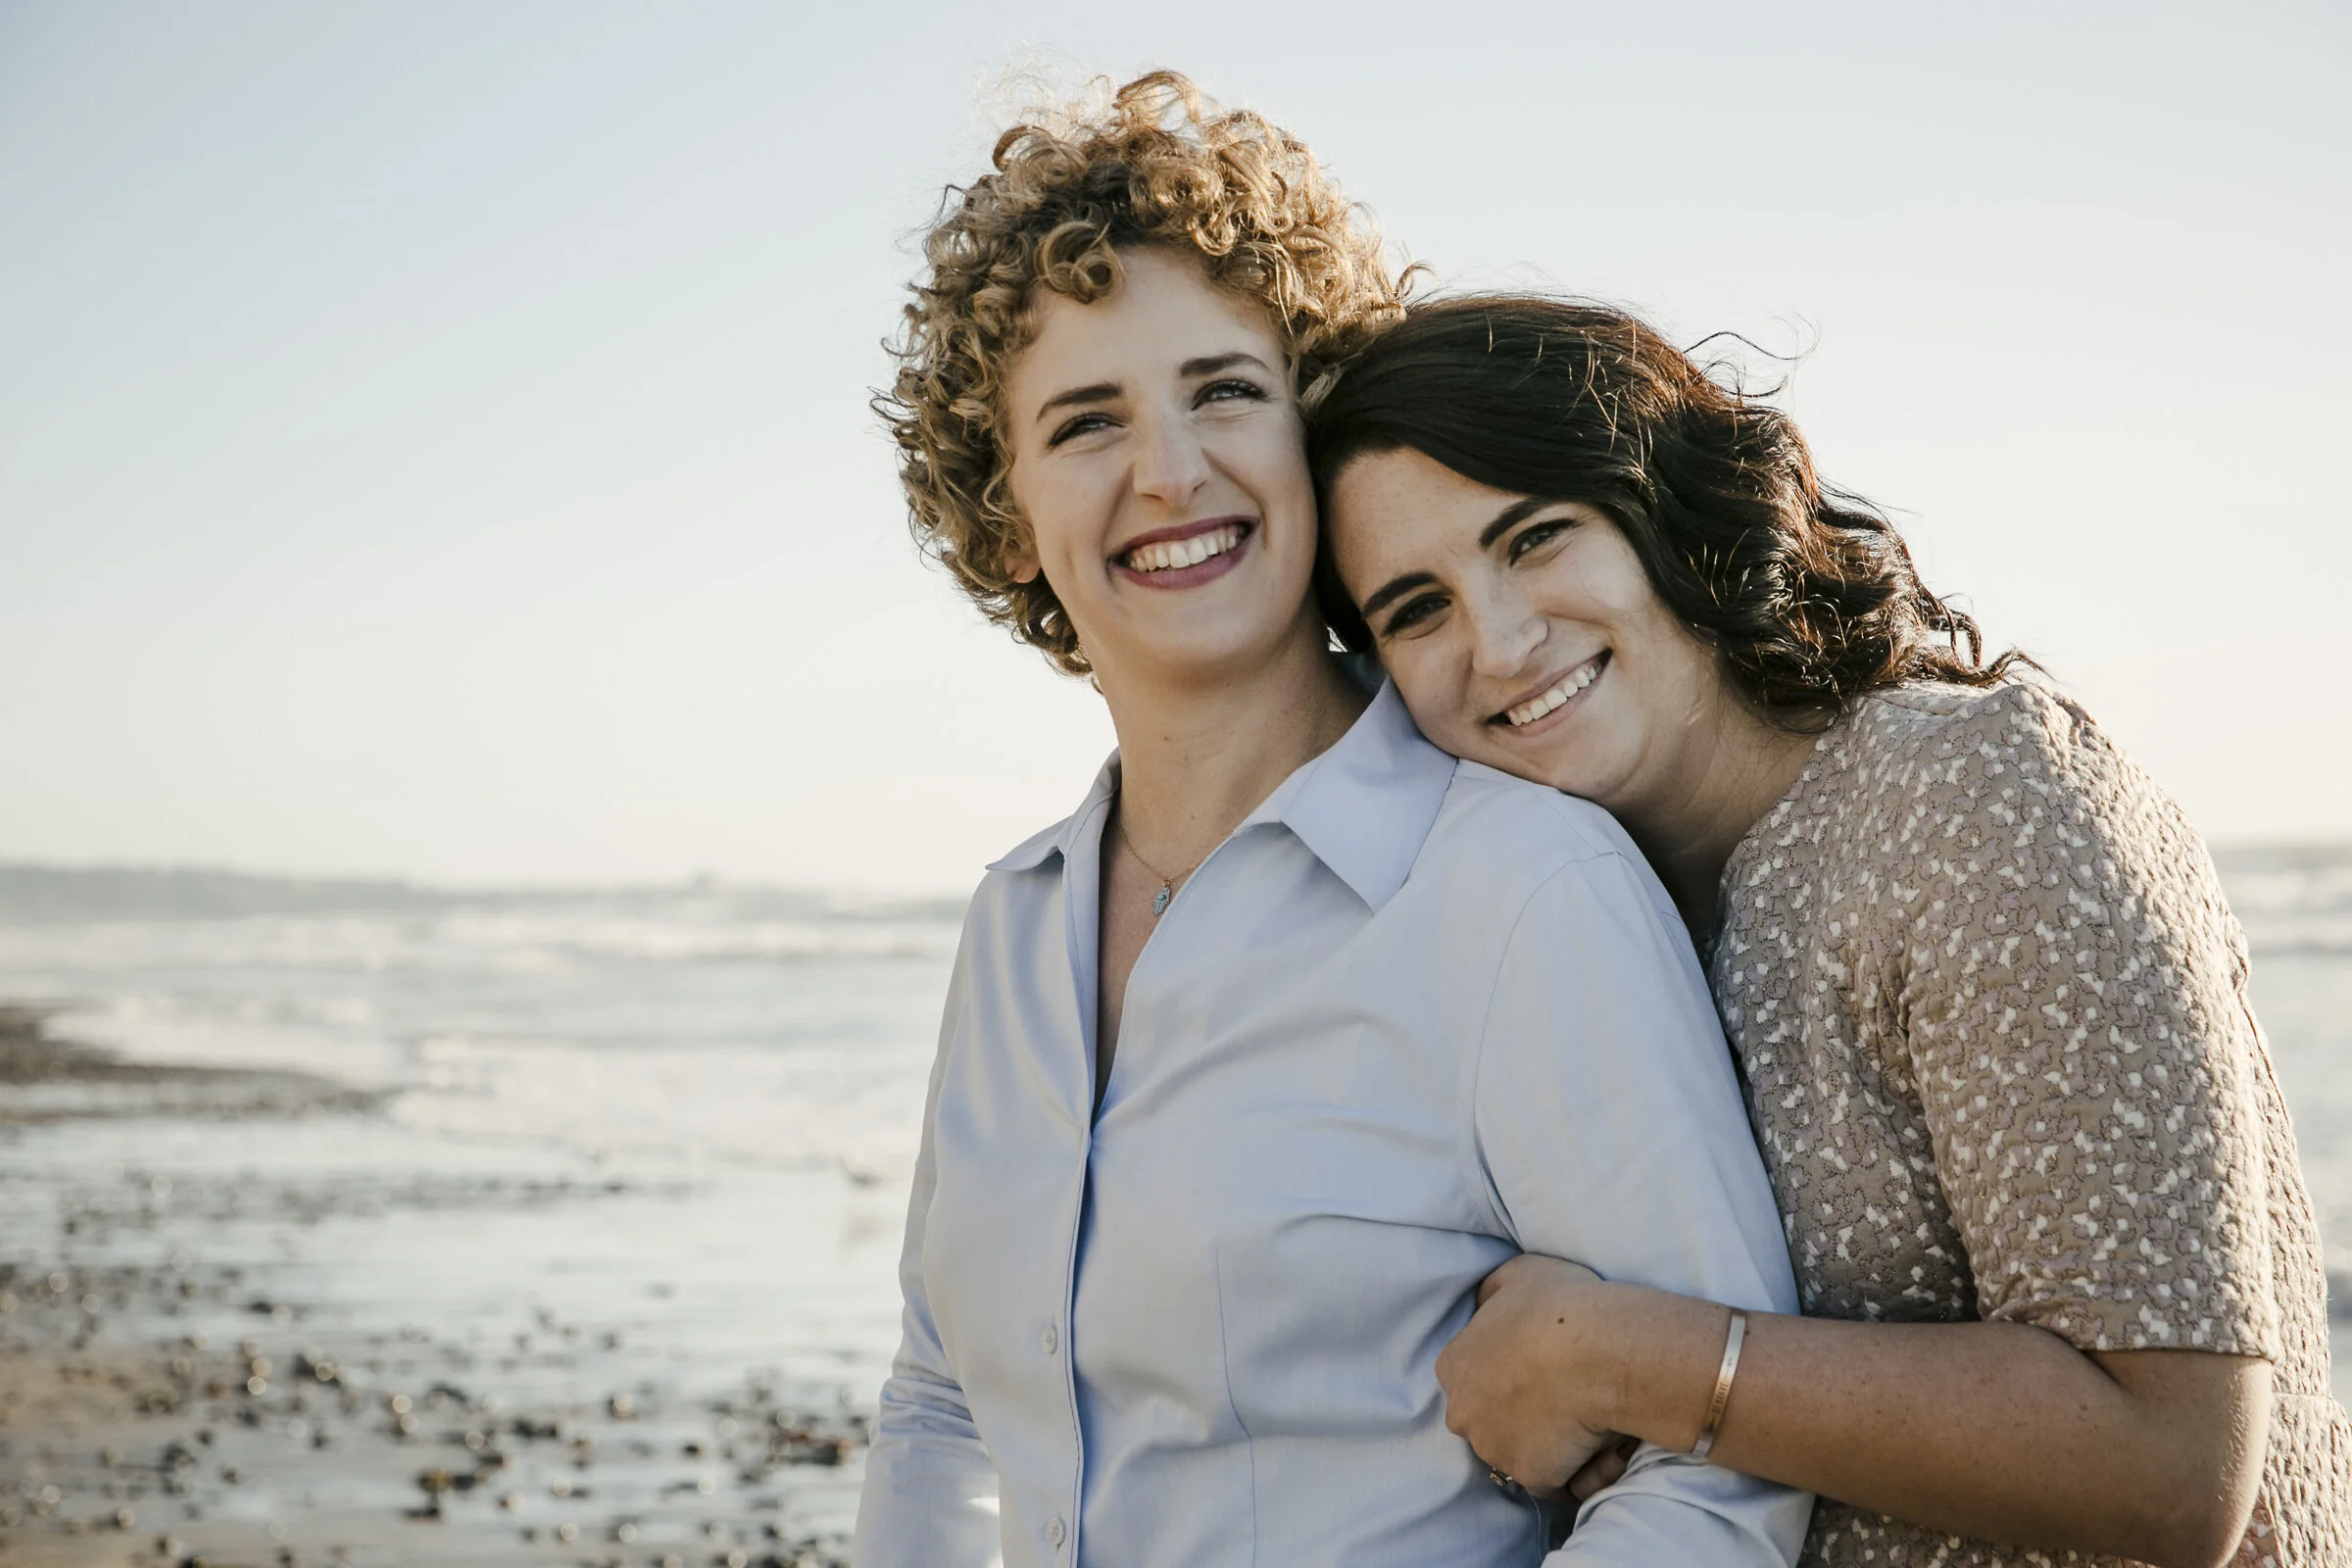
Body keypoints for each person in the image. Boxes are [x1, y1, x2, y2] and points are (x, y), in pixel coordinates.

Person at [852, 76, 1810, 1567]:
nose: (1170, 471)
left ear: (1314, 437)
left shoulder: (1517, 887)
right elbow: (947, 1403)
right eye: (1086, 422)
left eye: (1225, 391)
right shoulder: (1016, 922)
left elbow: (1719, 1476)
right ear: (1005, 506)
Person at [1310, 294, 2351, 1568]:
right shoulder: (1565, 922)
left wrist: (1628, 1362)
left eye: (1535, 540)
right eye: (1416, 609)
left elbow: (2175, 1466)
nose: (1501, 641)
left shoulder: (1967, 799)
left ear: (1664, 517)